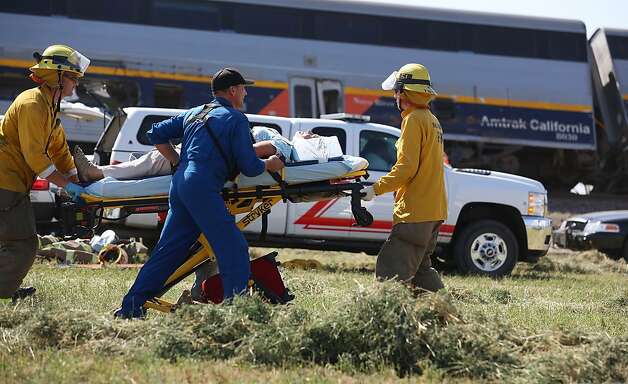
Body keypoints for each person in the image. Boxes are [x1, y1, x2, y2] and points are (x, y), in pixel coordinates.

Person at [116, 68, 284, 318]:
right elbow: (249, 167)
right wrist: (270, 164)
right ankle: (233, 315)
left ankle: (131, 307)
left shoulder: (195, 112)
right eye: (244, 88)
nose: (246, 93)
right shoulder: (235, 118)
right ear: (233, 90)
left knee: (167, 252)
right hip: (203, 187)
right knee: (234, 248)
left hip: (181, 185)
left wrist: (175, 161)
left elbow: (155, 134)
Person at [0, 45, 89, 302]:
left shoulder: (49, 107)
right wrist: (68, 187)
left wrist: (76, 178)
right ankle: (4, 291)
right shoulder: (32, 104)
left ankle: (6, 286)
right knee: (23, 244)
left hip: (12, 183)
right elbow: (36, 156)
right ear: (57, 76)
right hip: (5, 182)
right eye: (73, 77)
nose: (75, 83)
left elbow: (59, 149)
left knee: (12, 241)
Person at [361, 63, 447, 293]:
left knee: (390, 269)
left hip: (415, 213)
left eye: (396, 92)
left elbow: (406, 168)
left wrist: (375, 188)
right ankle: (446, 315)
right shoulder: (431, 120)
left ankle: (387, 318)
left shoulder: (413, 120)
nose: (394, 97)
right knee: (421, 272)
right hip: (433, 211)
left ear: (404, 92)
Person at [73, 126, 296, 182]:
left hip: (196, 160)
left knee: (151, 162)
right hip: (199, 158)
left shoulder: (281, 143)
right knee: (147, 163)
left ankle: (95, 172)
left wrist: (266, 162)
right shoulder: (281, 142)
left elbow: (268, 148)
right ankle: (99, 172)